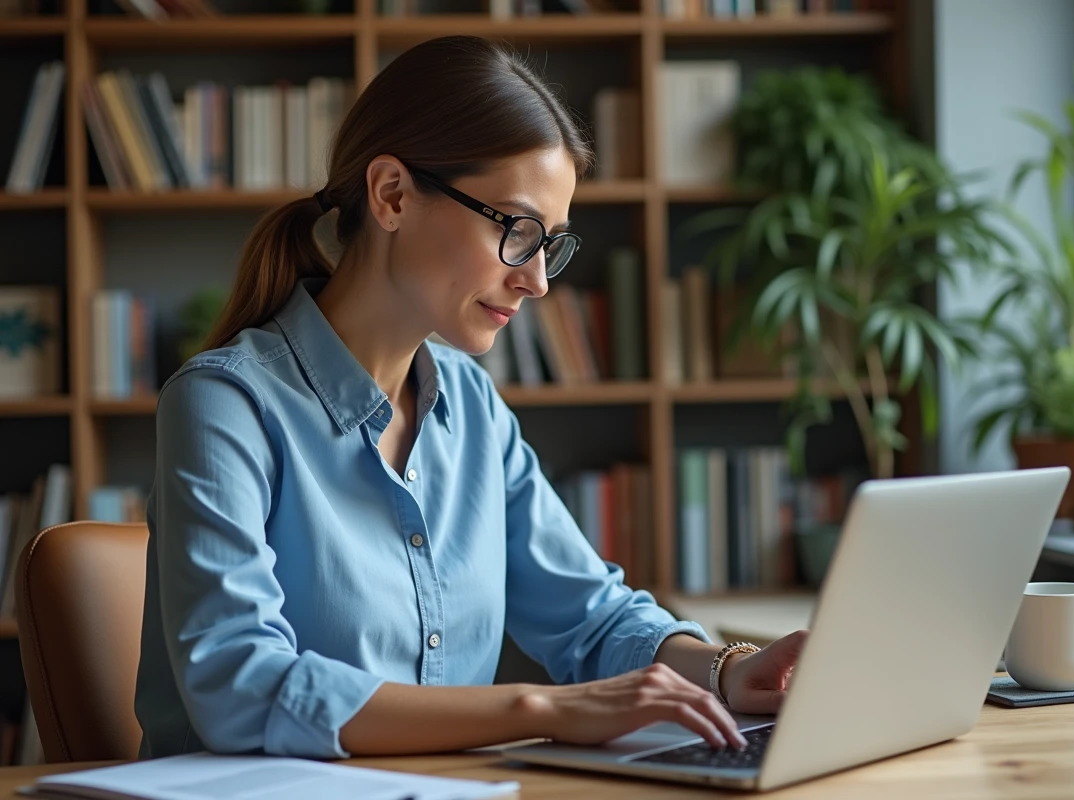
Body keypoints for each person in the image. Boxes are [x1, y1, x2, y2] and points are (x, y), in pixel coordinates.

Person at [134, 34, 808, 761]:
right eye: (518, 231)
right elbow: (240, 688)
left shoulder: (472, 407)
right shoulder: (225, 404)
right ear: (391, 195)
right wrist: (541, 708)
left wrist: (730, 672)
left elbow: (593, 619)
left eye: (551, 243)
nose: (538, 280)